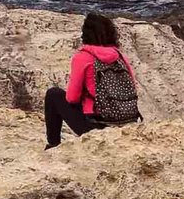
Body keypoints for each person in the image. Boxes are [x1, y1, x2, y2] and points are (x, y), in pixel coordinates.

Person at [43, 12, 140, 148]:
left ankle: (53, 144)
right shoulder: (119, 56)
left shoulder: (83, 57)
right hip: (127, 121)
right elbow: (133, 88)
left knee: (53, 94)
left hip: (97, 125)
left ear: (85, 34)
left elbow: (72, 98)